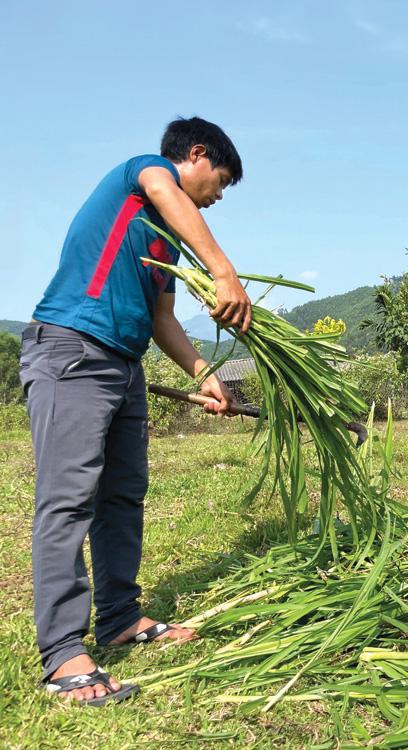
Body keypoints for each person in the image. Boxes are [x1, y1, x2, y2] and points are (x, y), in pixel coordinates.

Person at [19, 116, 252, 706]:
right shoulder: (140, 175)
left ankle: (119, 616)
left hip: (124, 363)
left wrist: (207, 376)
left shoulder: (164, 238)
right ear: (194, 154)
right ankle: (63, 654)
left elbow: (162, 320)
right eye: (220, 180)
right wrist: (223, 271)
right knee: (69, 499)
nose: (219, 196)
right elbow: (160, 186)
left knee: (123, 494)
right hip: (73, 349)